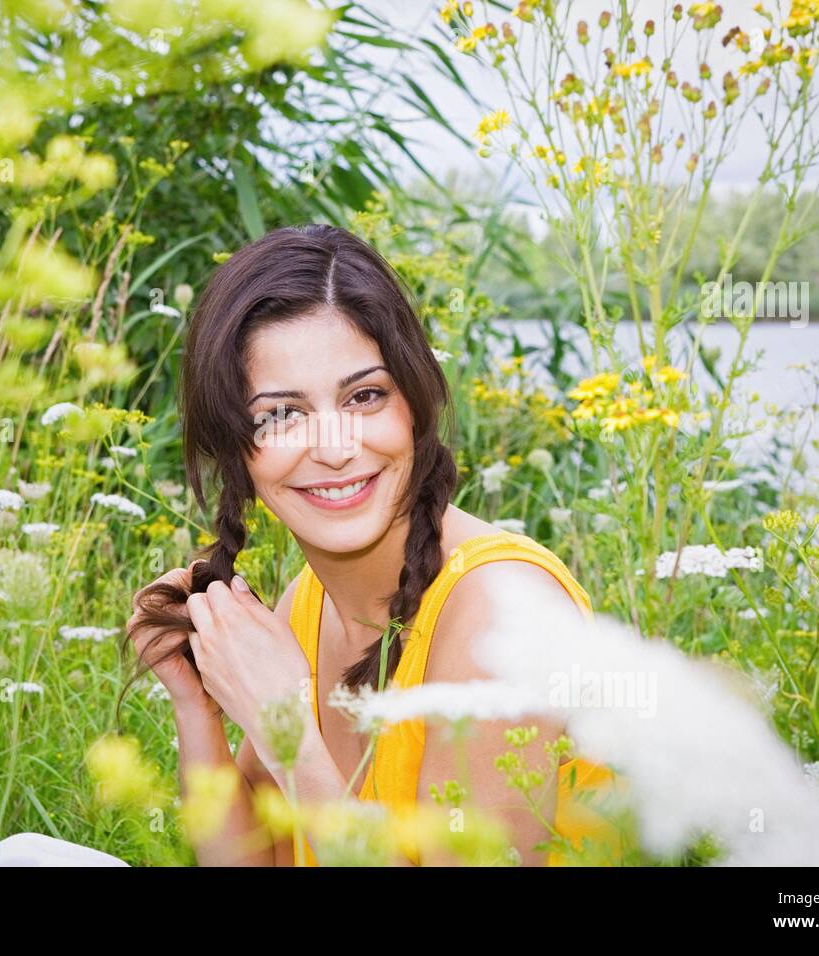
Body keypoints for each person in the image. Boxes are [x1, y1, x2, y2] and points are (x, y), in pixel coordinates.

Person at [121, 224, 626, 866]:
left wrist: (288, 732)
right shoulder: (310, 604)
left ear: (413, 405)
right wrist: (196, 708)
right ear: (236, 451)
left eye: (364, 396)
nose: (334, 448)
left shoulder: (501, 619)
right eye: (282, 413)